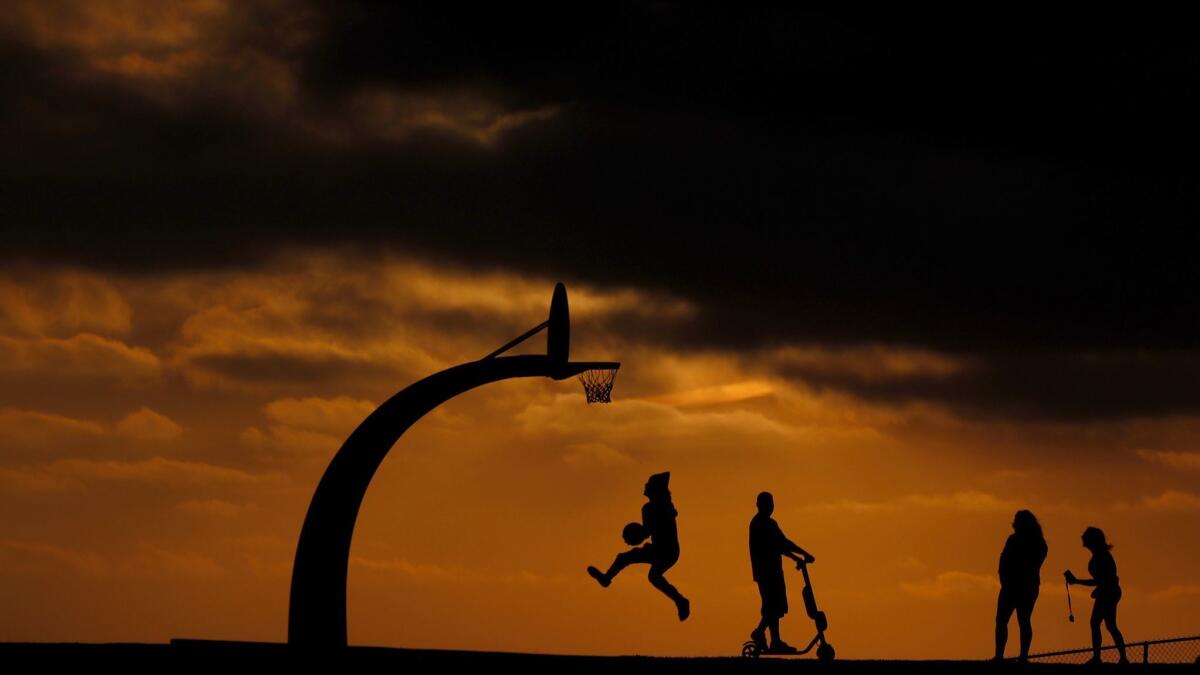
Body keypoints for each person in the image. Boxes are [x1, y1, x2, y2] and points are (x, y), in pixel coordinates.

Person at [587, 472, 691, 621]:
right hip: (660, 550)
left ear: (655, 489)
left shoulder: (662, 506)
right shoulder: (648, 508)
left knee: (631, 562)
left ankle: (680, 601)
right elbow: (647, 532)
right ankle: (680, 600)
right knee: (650, 574)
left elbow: (647, 531)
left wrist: (637, 536)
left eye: (648, 484)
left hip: (667, 550)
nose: (645, 486)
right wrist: (637, 536)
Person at [749, 491, 815, 654]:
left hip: (773, 571)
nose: (771, 507)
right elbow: (779, 544)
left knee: (775, 607)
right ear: (759, 505)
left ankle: (775, 640)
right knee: (772, 606)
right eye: (767, 504)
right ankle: (760, 633)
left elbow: (781, 544)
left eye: (772, 504)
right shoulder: (760, 524)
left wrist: (800, 556)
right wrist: (801, 554)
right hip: (767, 572)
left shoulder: (769, 523)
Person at [1065, 527, 1127, 665]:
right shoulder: (1100, 555)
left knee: (1103, 624)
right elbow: (1102, 580)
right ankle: (1117, 657)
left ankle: (1103, 657)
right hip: (1108, 592)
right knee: (1107, 625)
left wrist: (1077, 581)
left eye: (1085, 536)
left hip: (1108, 593)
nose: (1082, 538)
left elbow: (1101, 580)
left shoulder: (1102, 556)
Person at [993, 510, 1048, 662]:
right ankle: (1000, 655)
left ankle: (1022, 656)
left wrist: (1009, 577)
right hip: (1011, 585)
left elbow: (1033, 565)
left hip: (1025, 586)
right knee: (1003, 621)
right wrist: (1004, 578)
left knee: (1022, 620)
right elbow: (1003, 560)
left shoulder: (1038, 543)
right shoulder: (1014, 540)